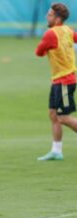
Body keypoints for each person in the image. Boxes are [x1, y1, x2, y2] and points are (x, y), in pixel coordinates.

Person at [36, 3, 77, 161]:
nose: (47, 16)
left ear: (58, 19)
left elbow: (38, 52)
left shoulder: (50, 34)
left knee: (63, 117)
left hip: (65, 81)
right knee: (53, 115)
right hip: (59, 80)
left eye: (50, 15)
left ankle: (57, 150)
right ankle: (56, 151)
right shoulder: (67, 30)